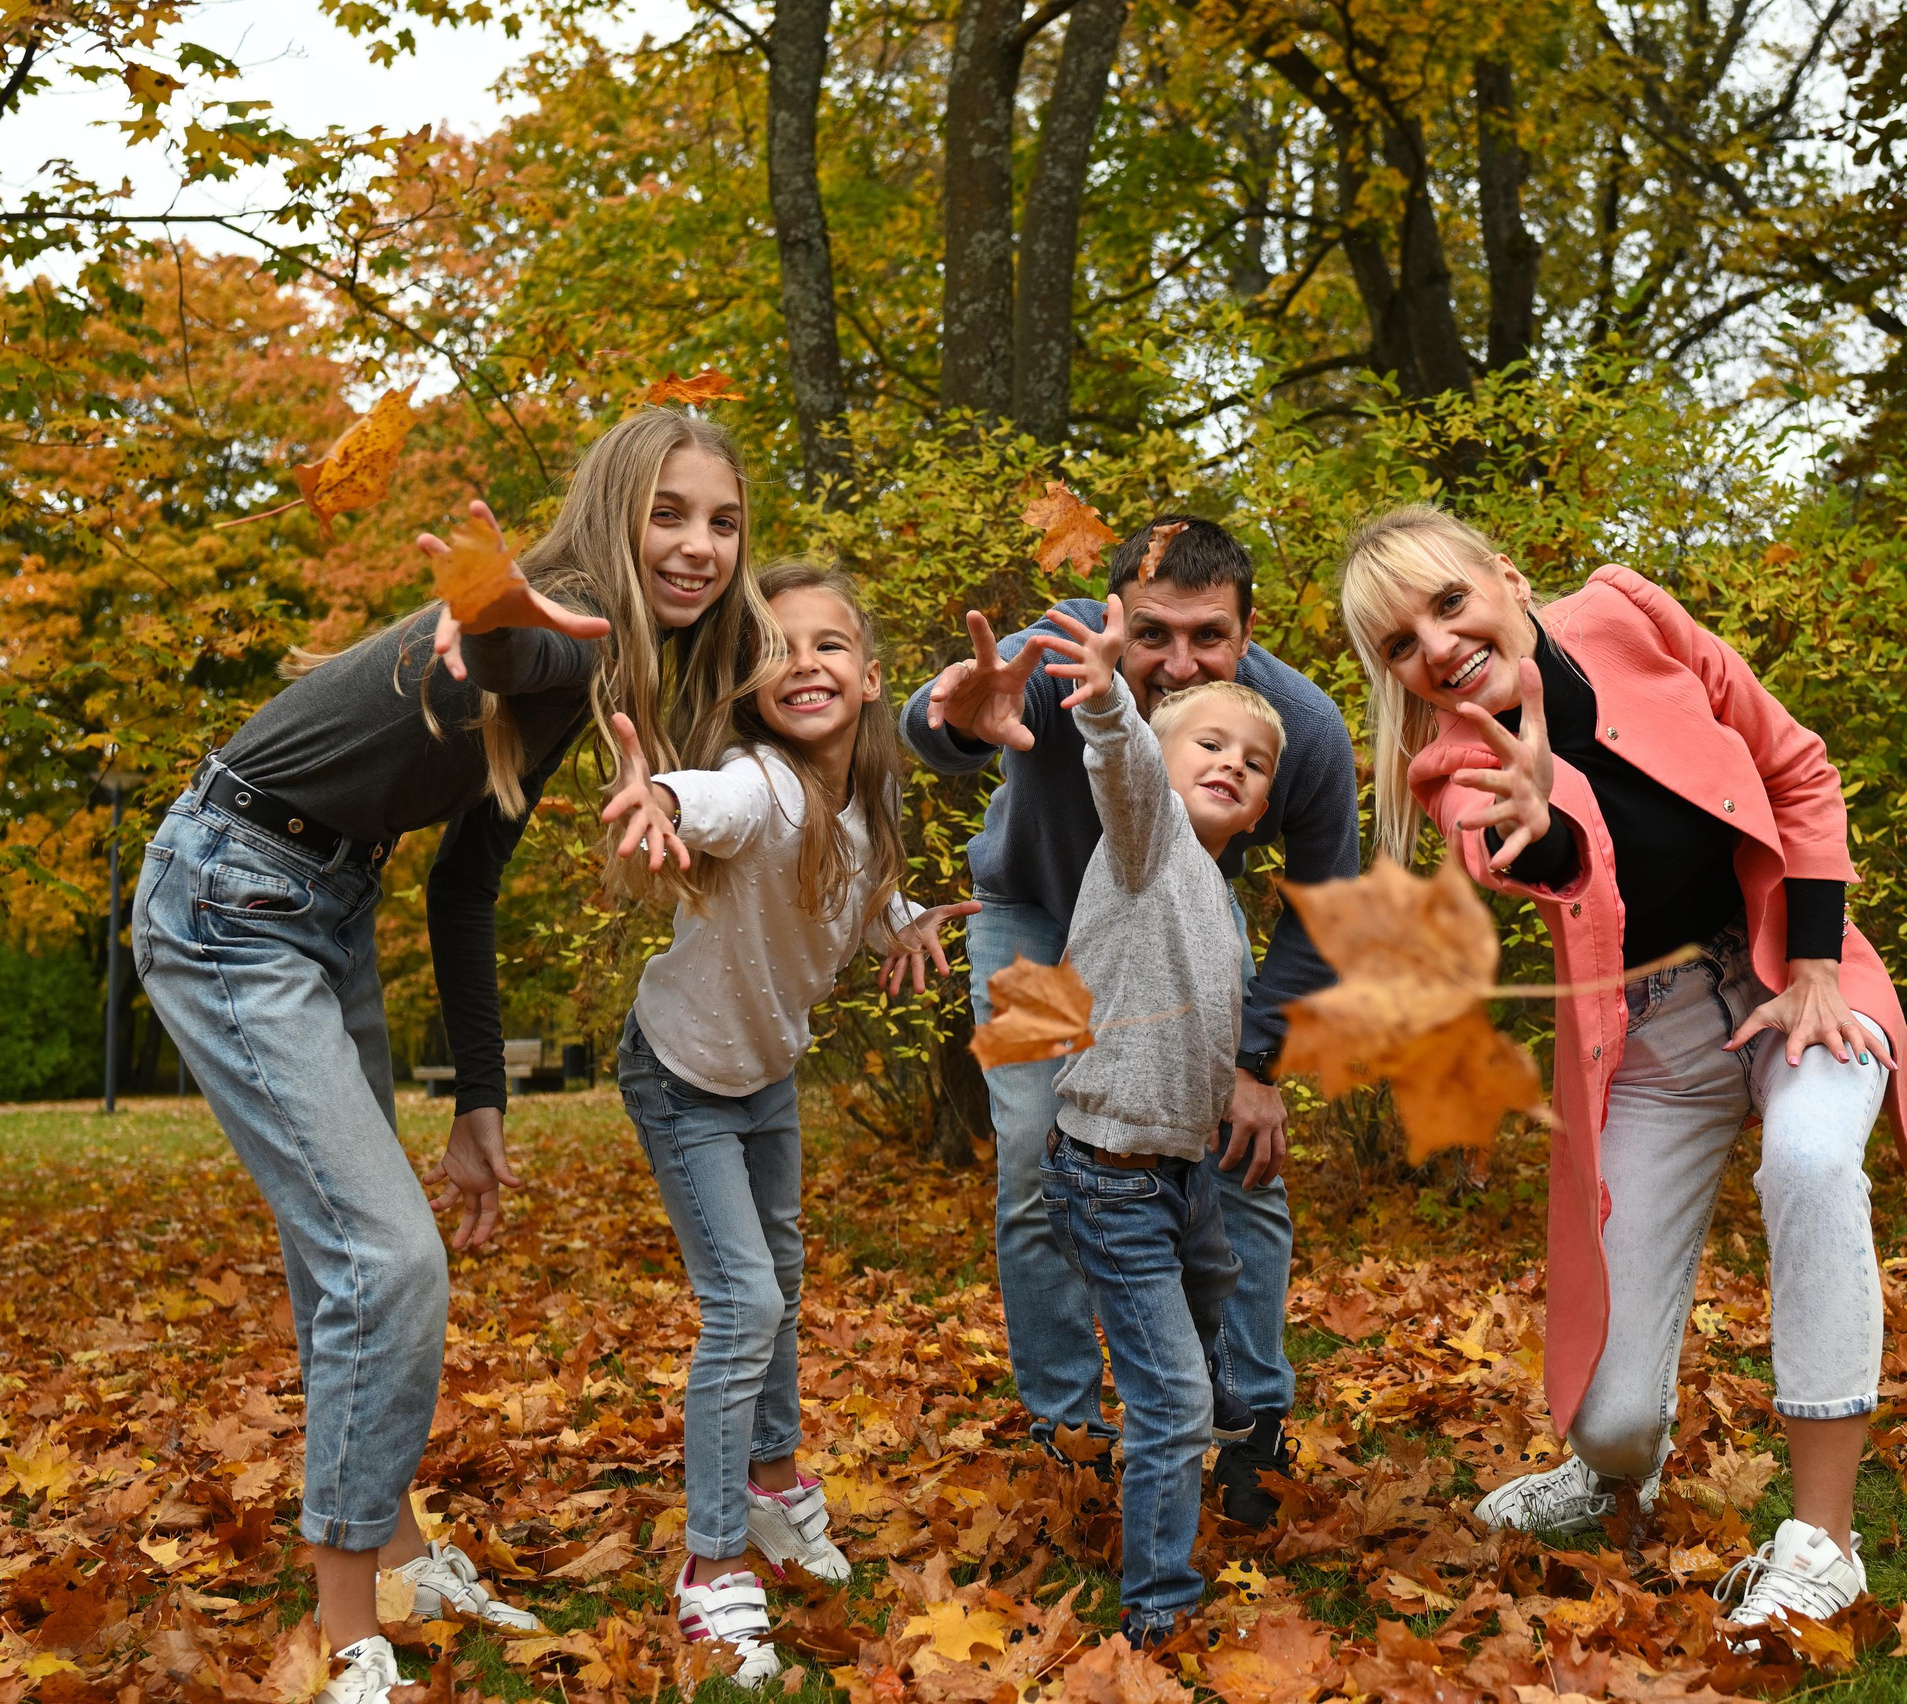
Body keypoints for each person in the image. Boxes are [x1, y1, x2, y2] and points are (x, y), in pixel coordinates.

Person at [133, 409, 776, 1704]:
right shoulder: (565, 623)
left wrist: (480, 1100)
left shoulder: (591, 676)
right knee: (385, 1259)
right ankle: (344, 1630)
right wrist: (485, 622)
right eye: (669, 513)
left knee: (344, 1268)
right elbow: (509, 641)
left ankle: (401, 1557)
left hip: (323, 900)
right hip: (227, 893)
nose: (698, 546)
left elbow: (465, 886)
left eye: (721, 521)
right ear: (611, 515)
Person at [1336, 505, 1907, 1641]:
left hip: (1790, 973)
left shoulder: (1628, 612)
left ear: (1506, 577)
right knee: (1609, 1424)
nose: (1438, 643)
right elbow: (1548, 858)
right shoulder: (1451, 764)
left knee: (1809, 1163)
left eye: (1448, 602)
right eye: (1400, 643)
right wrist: (1544, 816)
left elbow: (1796, 769)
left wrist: (1813, 963)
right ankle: (1613, 1471)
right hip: (1654, 1039)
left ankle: (1824, 1546)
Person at [900, 519, 1359, 1523]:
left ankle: (1251, 1419)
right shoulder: (1066, 654)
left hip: (1180, 932)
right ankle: (1069, 1430)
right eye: (1153, 634)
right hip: (1039, 935)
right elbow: (938, 723)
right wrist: (960, 723)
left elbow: (1329, 911)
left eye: (1208, 636)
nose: (1179, 661)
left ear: (1247, 633)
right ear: (1111, 617)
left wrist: (1255, 1061)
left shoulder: (1299, 727)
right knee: (1034, 1163)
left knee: (1236, 1161)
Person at [597, 564, 976, 1681]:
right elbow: (708, 802)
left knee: (785, 1277)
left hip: (764, 1073)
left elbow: (850, 890)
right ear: (751, 687)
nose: (802, 661)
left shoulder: (864, 801)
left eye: (827, 645)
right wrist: (661, 799)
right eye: (776, 647)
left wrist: (900, 923)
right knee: (743, 1301)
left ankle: (770, 1490)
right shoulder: (756, 781)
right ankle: (712, 1570)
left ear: (867, 677)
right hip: (682, 1075)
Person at [1022, 594, 1276, 1642]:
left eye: (1251, 762)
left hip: (1179, 1171)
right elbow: (1127, 771)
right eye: (1208, 745)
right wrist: (1111, 705)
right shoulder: (1149, 846)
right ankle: (1158, 1610)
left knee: (1217, 1280)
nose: (1230, 764)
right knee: (1169, 1402)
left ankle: (1213, 1387)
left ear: (1262, 805)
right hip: (1109, 1176)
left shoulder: (1220, 902)